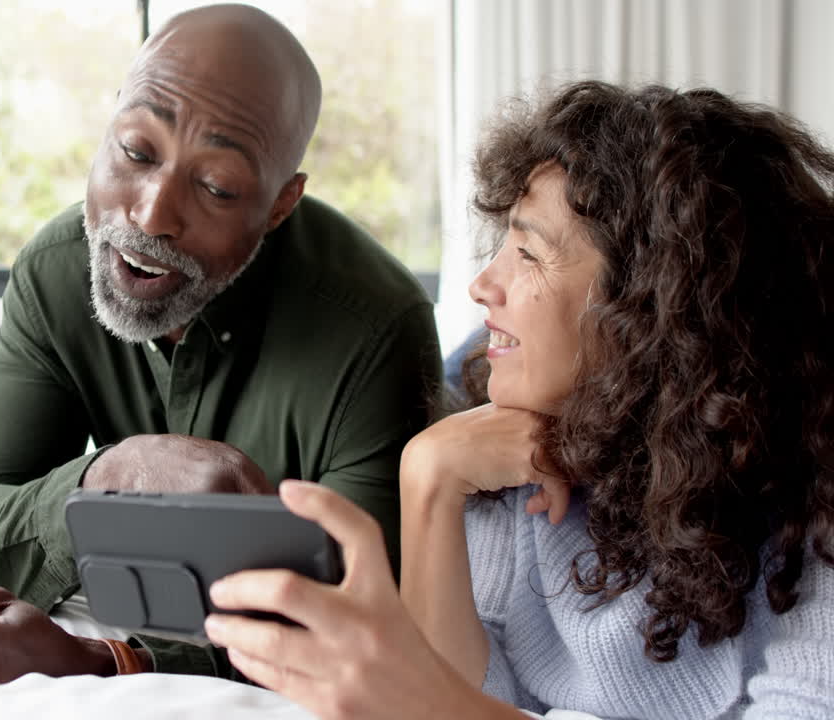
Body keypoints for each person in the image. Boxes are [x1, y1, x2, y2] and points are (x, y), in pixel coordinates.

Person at [203, 80, 834, 719]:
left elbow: (439, 708)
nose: (482, 285)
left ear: (657, 310)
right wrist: (430, 480)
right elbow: (457, 697)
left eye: (528, 253)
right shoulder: (512, 453)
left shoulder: (815, 500)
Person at [0, 3, 441, 681]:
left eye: (216, 187)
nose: (149, 214)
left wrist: (109, 658)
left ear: (280, 205)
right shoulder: (56, 273)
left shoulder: (375, 330)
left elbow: (358, 618)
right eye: (136, 151)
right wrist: (112, 474)